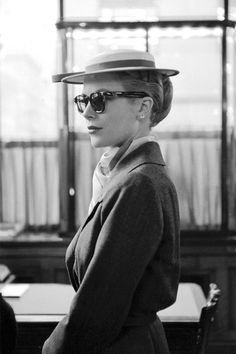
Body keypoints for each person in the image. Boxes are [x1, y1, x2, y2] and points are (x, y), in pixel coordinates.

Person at [43, 49, 180, 354]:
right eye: (83, 100)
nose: (87, 113)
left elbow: (100, 304)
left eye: (100, 99)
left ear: (143, 107)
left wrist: (52, 349)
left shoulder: (138, 182)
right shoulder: (118, 173)